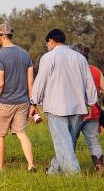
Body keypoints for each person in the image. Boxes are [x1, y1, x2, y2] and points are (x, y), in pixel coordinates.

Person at [32, 29, 98, 175]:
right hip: (77, 106)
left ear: (51, 41)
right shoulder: (80, 58)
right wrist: (92, 101)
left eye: (48, 44)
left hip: (56, 106)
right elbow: (89, 81)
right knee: (69, 142)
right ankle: (53, 172)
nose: (48, 47)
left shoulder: (49, 57)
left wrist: (34, 101)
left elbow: (41, 81)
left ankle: (74, 176)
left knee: (62, 142)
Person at [0, 22, 37, 171]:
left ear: (2, 36)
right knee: (22, 133)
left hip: (3, 102)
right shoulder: (25, 54)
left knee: (0, 136)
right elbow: (30, 81)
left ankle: (0, 170)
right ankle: (31, 165)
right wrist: (31, 102)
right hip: (22, 102)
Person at [71, 42, 104, 175]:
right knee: (93, 141)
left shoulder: (72, 71)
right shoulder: (96, 70)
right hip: (93, 112)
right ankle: (99, 169)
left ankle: (69, 169)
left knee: (70, 140)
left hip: (75, 112)